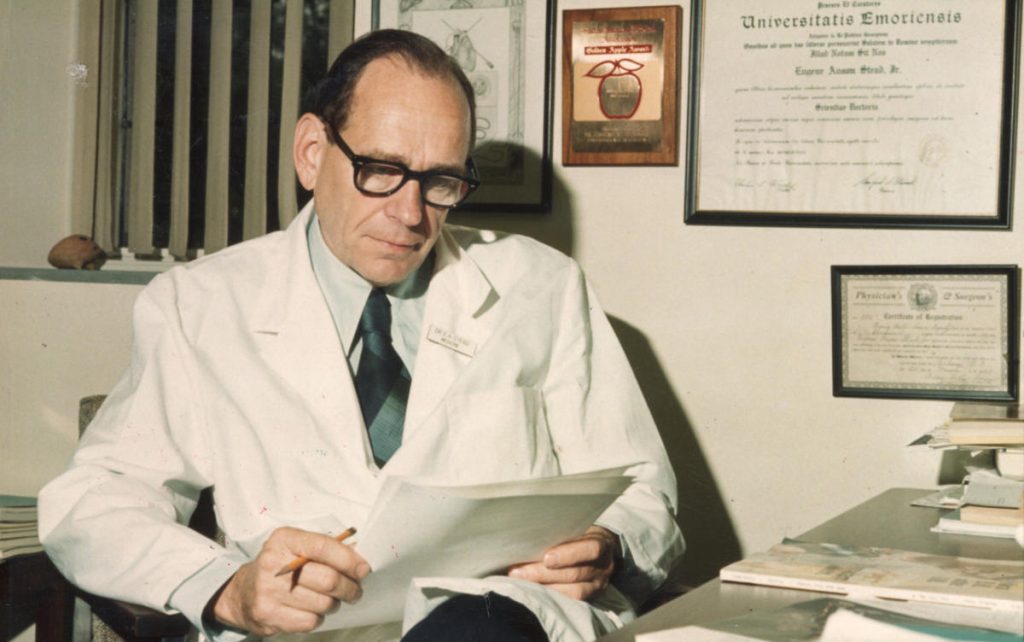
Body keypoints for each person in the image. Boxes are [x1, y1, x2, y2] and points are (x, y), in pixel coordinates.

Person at [39, 29, 684, 642]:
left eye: (441, 181)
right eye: (381, 168)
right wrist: (225, 588)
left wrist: (607, 547)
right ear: (312, 154)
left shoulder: (542, 286)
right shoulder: (200, 304)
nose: (410, 215)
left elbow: (643, 489)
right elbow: (94, 503)